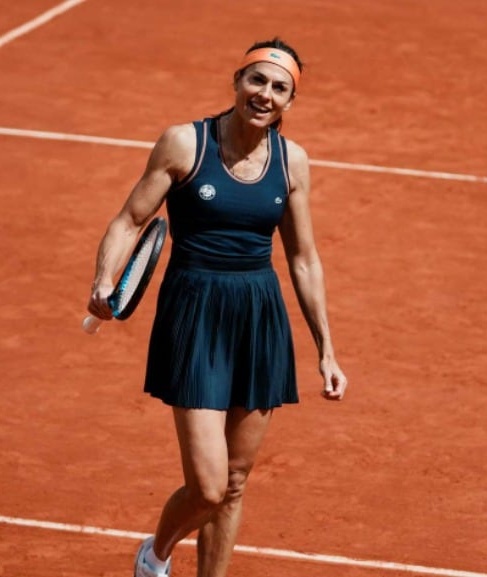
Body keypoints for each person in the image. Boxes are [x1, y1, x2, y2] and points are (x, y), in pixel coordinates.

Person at [86, 37, 348, 577]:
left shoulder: (292, 161)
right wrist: (103, 277)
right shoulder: (185, 144)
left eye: (280, 88)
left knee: (233, 484)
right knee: (206, 485)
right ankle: (154, 556)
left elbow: (302, 258)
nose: (265, 94)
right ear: (236, 81)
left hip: (258, 317)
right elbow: (130, 220)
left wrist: (327, 349)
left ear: (290, 102)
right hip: (196, 315)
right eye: (257, 80)